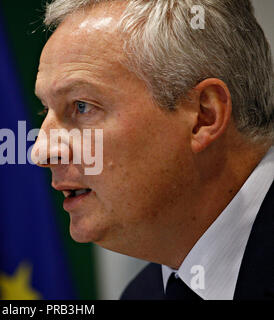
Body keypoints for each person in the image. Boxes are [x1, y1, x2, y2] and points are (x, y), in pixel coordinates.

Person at [30, 0, 274, 300]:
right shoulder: (142, 294)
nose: (40, 152)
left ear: (203, 115)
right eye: (46, 111)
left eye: (81, 106)